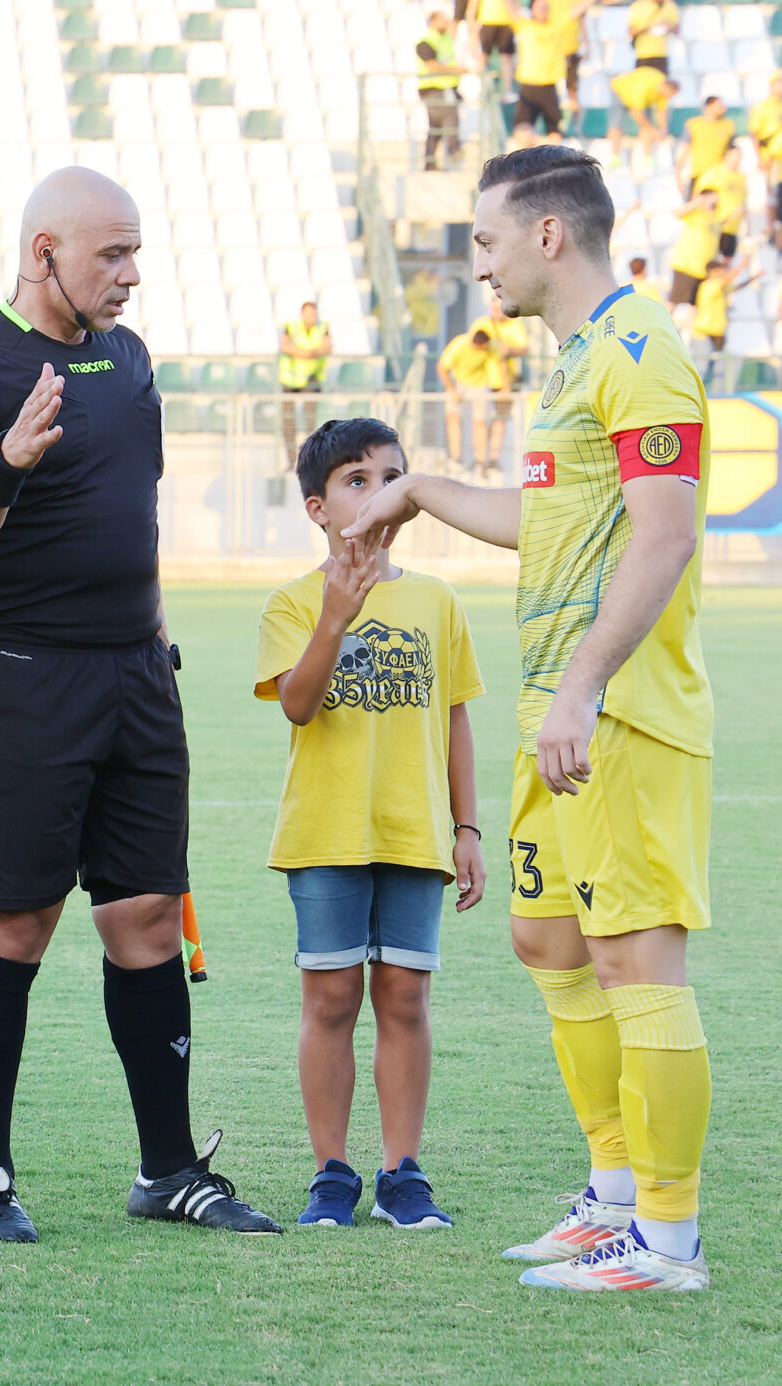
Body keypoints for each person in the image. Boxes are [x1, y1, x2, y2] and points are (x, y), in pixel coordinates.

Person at [347, 144, 717, 1293]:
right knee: (546, 941)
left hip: (618, 710)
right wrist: (413, 490)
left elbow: (663, 533)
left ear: (547, 235)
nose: (478, 261)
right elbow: (538, 521)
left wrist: (582, 684)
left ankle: (665, 1240)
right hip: (557, 710)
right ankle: (611, 1201)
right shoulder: (570, 367)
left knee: (633, 958)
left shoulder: (641, 351)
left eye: (485, 238)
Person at [0, 166, 281, 1243]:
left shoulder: (126, 360)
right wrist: (5, 463)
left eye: (133, 254)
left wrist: (155, 629)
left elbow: (138, 510)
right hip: (18, 678)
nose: (127, 276)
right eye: (107, 255)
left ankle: (166, 1170)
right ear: (43, 255)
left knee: (142, 916)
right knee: (15, 923)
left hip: (133, 673)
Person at [256, 418, 485, 1230]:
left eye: (392, 475)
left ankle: (402, 1172)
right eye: (358, 479)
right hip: (326, 833)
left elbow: (455, 719)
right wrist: (336, 613)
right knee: (329, 1001)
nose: (380, 490)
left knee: (405, 999)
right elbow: (297, 702)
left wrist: (468, 829)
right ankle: (331, 1173)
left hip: (414, 833)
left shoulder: (435, 599)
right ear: (318, 507)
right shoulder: (292, 601)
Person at [470, 290, 531, 479]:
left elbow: (524, 347)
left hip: (506, 382)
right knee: (479, 420)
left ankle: (493, 459)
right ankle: (479, 459)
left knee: (500, 420)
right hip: (482, 380)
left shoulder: (515, 324)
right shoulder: (481, 325)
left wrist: (509, 350)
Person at [437, 327, 501, 474]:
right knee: (453, 417)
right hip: (458, 383)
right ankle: (455, 458)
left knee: (480, 421)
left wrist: (502, 388)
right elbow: (442, 367)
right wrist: (451, 389)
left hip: (479, 385)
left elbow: (498, 368)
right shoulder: (459, 344)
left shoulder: (490, 348)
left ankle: (480, 460)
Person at [506, 0, 568, 146]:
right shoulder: (525, 26)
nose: (543, 10)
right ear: (532, 9)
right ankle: (541, 146)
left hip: (549, 85)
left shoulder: (556, 26)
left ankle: (544, 148)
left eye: (546, 7)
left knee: (555, 133)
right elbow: (510, 8)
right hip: (529, 85)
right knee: (521, 133)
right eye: (540, 7)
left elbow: (576, 11)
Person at [278, 302, 333, 468]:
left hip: (311, 378)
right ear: (302, 314)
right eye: (308, 314)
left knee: (310, 423)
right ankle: (291, 461)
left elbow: (327, 346)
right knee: (288, 422)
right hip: (290, 380)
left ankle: (309, 461)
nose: (311, 318)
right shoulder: (291, 327)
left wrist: (307, 353)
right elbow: (285, 345)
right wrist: (306, 353)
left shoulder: (322, 327)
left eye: (313, 314)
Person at [667, 187, 723, 329]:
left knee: (696, 306)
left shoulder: (715, 219)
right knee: (674, 302)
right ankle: (662, 329)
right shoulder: (696, 213)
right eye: (713, 197)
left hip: (704, 269)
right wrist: (696, 203)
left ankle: (691, 339)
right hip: (688, 265)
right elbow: (676, 213)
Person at [417, 11, 465, 171]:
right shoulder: (426, 42)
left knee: (435, 128)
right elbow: (432, 66)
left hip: (445, 88)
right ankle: (454, 149)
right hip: (434, 89)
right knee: (449, 114)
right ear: (433, 21)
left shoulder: (445, 40)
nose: (446, 23)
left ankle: (430, 163)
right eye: (443, 20)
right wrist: (455, 70)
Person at [688, 253, 761, 358]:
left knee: (717, 369)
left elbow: (738, 287)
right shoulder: (708, 286)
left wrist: (753, 278)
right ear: (713, 272)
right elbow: (726, 280)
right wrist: (742, 265)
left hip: (718, 332)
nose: (723, 272)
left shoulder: (720, 287)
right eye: (720, 270)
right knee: (702, 367)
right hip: (704, 333)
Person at [608, 68, 677, 164]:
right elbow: (636, 114)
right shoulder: (644, 88)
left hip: (641, 97)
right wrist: (654, 131)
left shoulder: (662, 89)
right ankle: (615, 157)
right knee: (616, 124)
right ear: (667, 89)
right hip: (620, 91)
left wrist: (663, 130)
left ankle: (648, 158)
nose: (670, 98)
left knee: (648, 125)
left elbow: (661, 112)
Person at [692, 142, 746, 259]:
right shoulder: (714, 173)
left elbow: (743, 203)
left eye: (739, 156)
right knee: (713, 263)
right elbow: (701, 196)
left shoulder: (741, 177)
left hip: (733, 228)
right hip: (716, 225)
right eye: (735, 156)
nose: (738, 159)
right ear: (727, 155)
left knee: (726, 264)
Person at [678, 97, 737, 198]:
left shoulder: (728, 125)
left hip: (719, 176)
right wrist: (678, 176)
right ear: (708, 107)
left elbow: (732, 152)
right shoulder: (694, 124)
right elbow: (684, 150)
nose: (723, 109)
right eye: (719, 106)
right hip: (699, 174)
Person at [477, 0, 517, 98]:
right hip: (487, 20)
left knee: (506, 57)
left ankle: (508, 89)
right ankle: (479, 89)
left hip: (506, 21)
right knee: (484, 56)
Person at [626, 0, 677, 75]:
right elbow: (631, 31)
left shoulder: (670, 5)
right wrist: (647, 29)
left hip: (662, 53)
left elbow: (676, 30)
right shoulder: (638, 6)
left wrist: (667, 28)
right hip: (643, 54)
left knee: (661, 83)